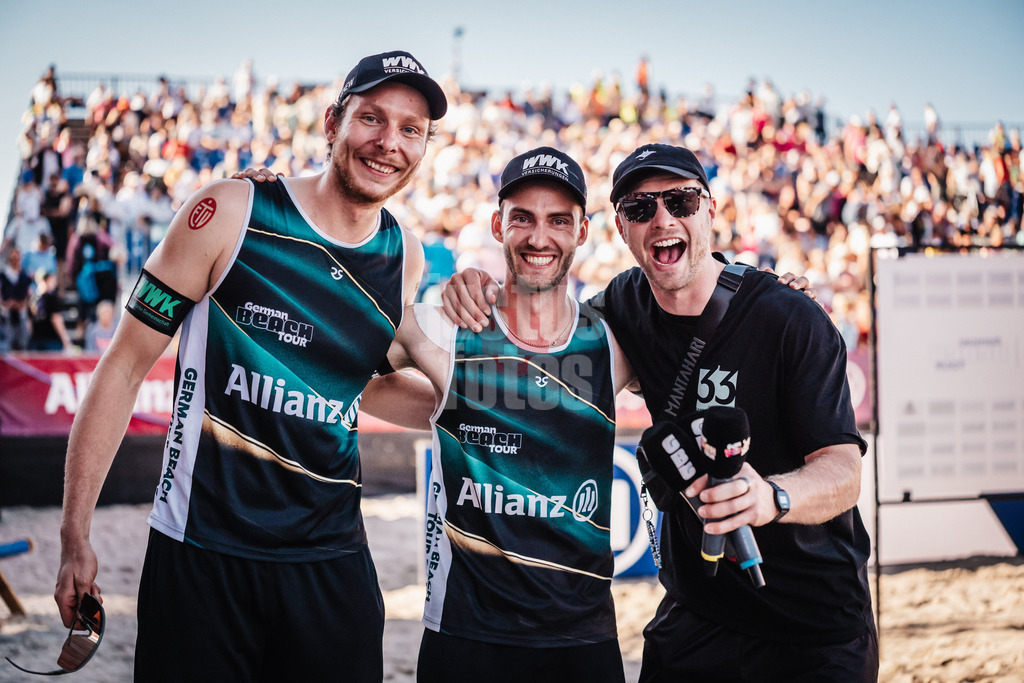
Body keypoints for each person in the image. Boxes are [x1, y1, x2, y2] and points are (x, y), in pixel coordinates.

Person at [54, 50, 448, 682]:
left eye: (410, 130)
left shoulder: (405, 256)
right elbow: (125, 365)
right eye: (372, 119)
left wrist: (468, 402)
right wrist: (75, 533)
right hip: (202, 554)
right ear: (332, 122)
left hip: (331, 562)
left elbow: (356, 385)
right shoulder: (231, 213)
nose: (388, 143)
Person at [443, 143, 877, 681]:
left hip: (813, 622)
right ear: (621, 230)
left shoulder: (789, 319)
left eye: (680, 201)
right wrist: (478, 285)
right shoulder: (618, 309)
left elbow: (844, 470)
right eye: (640, 208)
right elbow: (537, 332)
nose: (662, 218)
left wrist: (771, 497)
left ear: (710, 210)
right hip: (697, 612)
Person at [29, 268, 75, 352]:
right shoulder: (52, 298)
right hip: (51, 342)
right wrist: (66, 340)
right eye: (53, 280)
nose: (55, 283)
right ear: (46, 281)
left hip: (36, 342)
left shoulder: (34, 299)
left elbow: (30, 324)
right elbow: (56, 319)